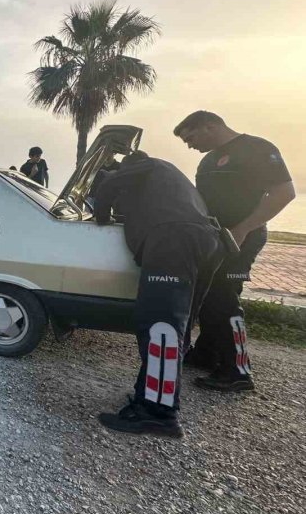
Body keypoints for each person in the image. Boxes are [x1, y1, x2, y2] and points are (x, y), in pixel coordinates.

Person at [93, 151, 224, 437]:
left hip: (173, 242)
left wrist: (100, 216)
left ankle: (157, 414)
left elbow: (108, 186)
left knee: (159, 327)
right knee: (178, 327)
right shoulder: (169, 174)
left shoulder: (143, 165)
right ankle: (152, 393)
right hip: (207, 240)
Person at [174, 110, 295, 392]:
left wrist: (243, 229)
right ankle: (207, 354)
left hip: (243, 236)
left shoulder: (257, 148)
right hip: (214, 237)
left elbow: (284, 192)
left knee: (225, 298)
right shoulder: (207, 161)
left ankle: (238, 371)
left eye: (191, 138)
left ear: (210, 125)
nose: (190, 146)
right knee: (206, 296)